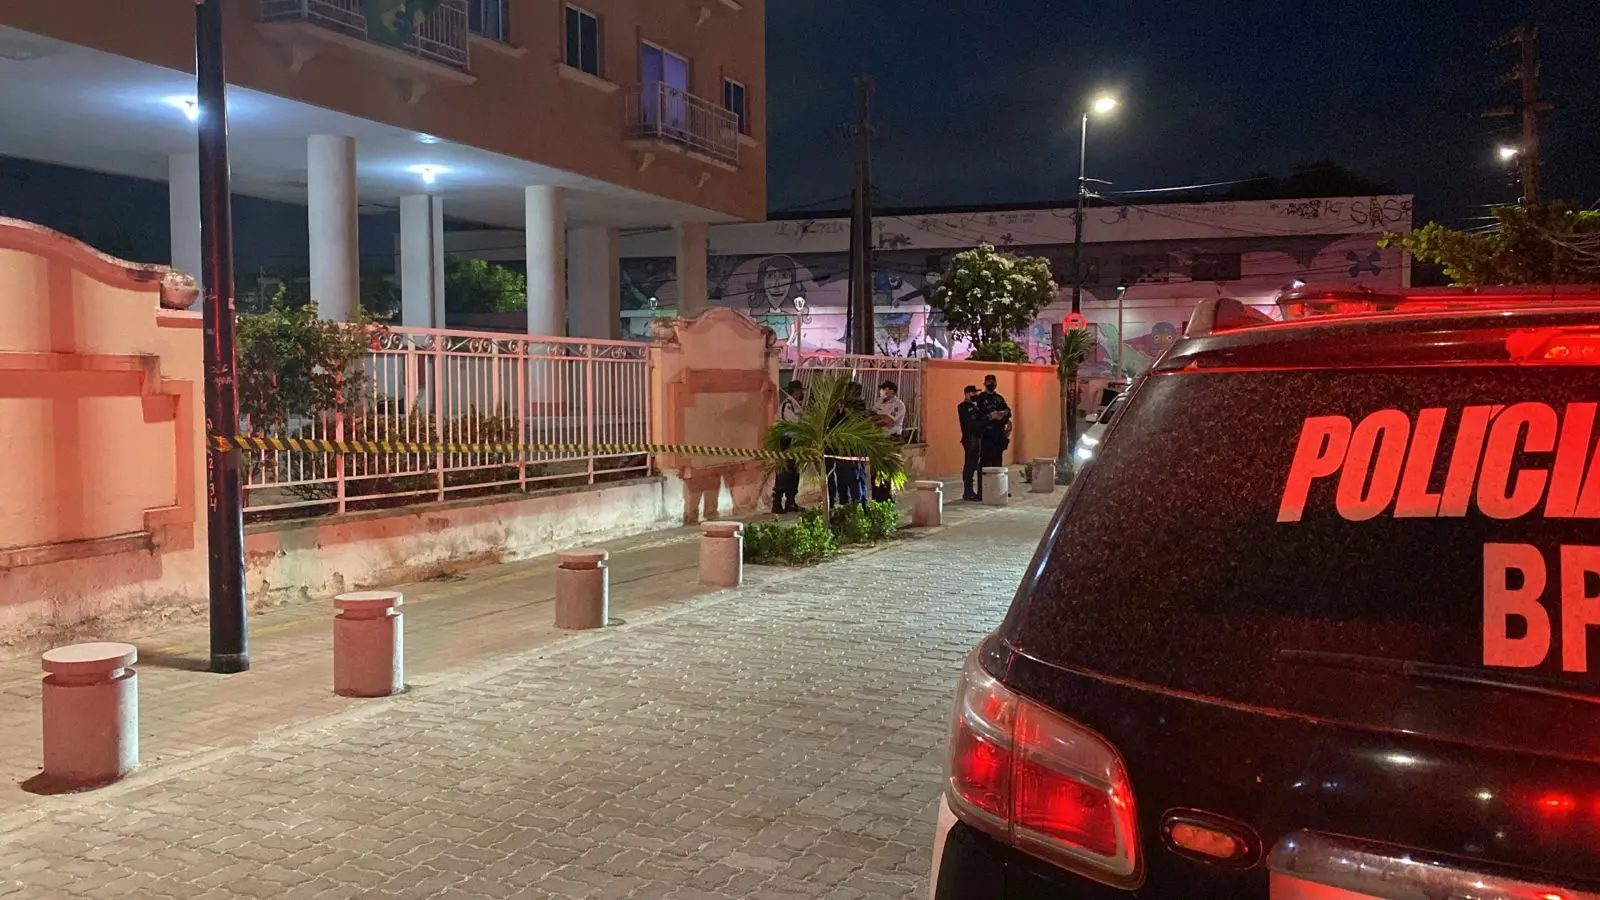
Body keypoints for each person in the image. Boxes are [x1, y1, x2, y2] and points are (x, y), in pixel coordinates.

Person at [869, 380, 907, 503]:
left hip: (892, 439)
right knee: (875, 470)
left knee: (889, 469)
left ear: (892, 391)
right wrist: (880, 418)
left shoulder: (898, 405)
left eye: (885, 389)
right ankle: (877, 497)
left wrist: (879, 418)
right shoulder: (879, 402)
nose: (882, 391)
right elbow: (870, 417)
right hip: (878, 438)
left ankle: (889, 497)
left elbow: (888, 421)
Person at [771, 380, 805, 514]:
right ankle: (777, 503)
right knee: (784, 473)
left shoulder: (796, 405)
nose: (802, 393)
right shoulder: (787, 405)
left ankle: (791, 502)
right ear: (795, 391)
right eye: (801, 390)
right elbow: (793, 423)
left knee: (794, 474)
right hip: (786, 442)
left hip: (794, 442)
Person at [974, 374, 1012, 483]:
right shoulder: (980, 398)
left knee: (997, 462)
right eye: (989, 381)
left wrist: (1003, 413)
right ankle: (982, 488)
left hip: (998, 434)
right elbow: (977, 417)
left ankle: (997, 486)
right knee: (984, 463)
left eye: (993, 382)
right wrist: (990, 416)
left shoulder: (999, 398)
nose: (991, 384)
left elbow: (1008, 411)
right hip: (986, 435)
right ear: (984, 383)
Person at [958, 385, 984, 501]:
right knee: (970, 464)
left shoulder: (974, 406)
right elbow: (972, 423)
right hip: (970, 439)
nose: (976, 395)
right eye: (974, 393)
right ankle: (968, 491)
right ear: (968, 394)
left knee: (975, 464)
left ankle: (974, 491)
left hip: (977, 438)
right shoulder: (964, 407)